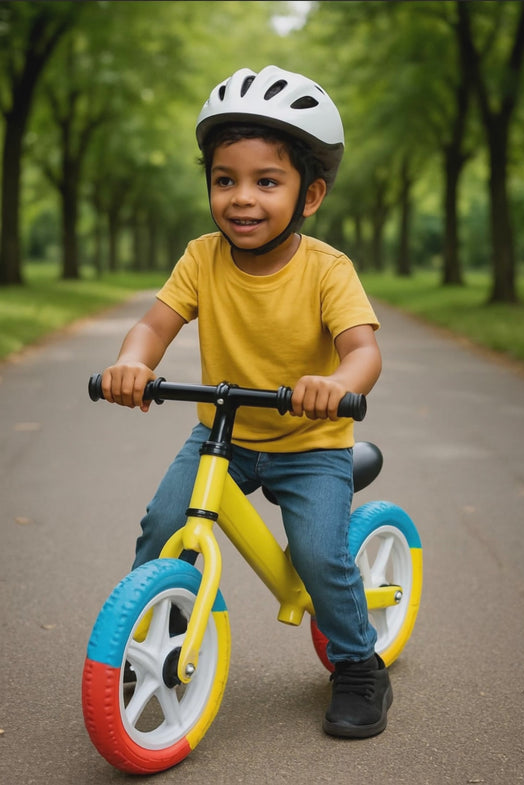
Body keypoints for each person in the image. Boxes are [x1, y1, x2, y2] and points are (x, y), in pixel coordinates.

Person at [100, 65, 391, 738]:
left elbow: (363, 349)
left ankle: (356, 663)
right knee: (164, 522)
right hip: (221, 439)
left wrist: (337, 385)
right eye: (224, 179)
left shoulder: (326, 268)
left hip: (309, 442)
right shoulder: (201, 258)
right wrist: (131, 363)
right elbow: (153, 325)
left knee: (317, 556)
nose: (241, 198)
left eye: (266, 181)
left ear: (309, 194)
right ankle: (159, 630)